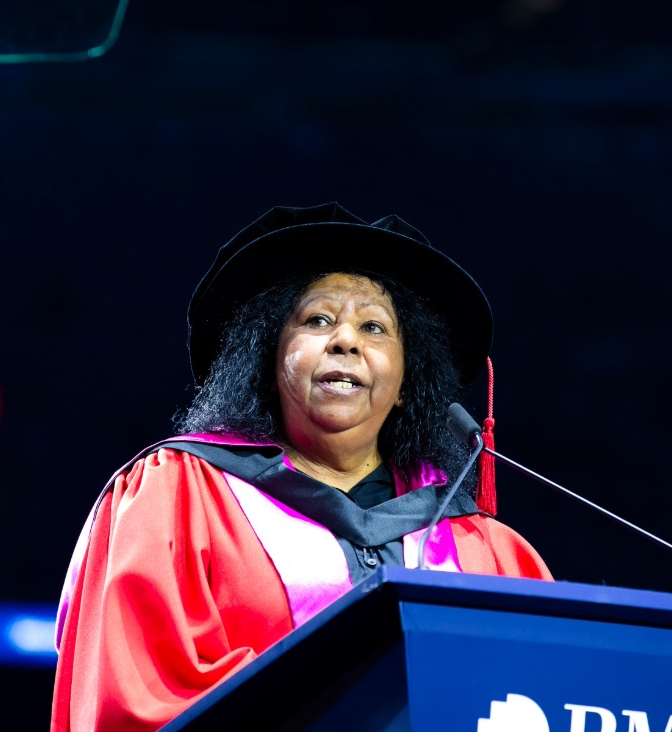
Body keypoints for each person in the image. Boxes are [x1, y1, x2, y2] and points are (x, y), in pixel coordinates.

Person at [50, 202, 553, 731]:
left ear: (407, 383)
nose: (346, 340)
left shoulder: (483, 549)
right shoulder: (176, 496)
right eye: (318, 320)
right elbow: (138, 700)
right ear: (268, 362)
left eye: (375, 327)